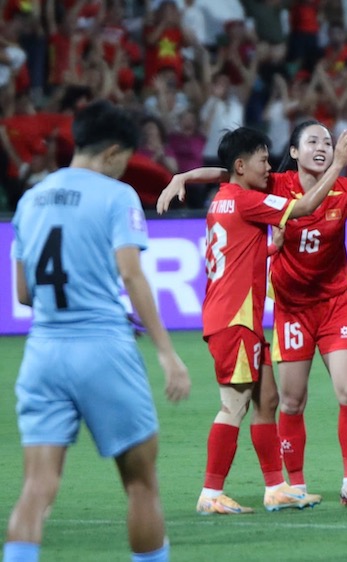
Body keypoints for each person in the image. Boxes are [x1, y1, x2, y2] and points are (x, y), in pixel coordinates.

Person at [5, 100, 191, 562]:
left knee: (37, 486)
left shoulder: (30, 199)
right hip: (102, 349)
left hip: (43, 353)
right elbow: (131, 274)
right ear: (112, 152)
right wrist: (168, 353)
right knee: (141, 484)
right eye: (126, 157)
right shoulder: (117, 195)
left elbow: (24, 293)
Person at [156, 120, 347, 504]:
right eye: (263, 161)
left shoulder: (228, 194)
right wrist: (338, 164)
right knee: (233, 405)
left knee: (267, 399)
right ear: (243, 166)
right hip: (235, 319)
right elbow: (301, 206)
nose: (269, 168)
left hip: (244, 319)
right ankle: (211, 492)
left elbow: (230, 190)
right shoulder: (248, 199)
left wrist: (184, 175)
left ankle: (276, 489)